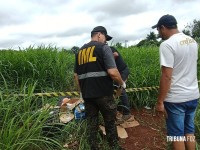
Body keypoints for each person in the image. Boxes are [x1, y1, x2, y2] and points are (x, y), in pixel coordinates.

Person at [74, 26, 126, 150]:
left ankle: (93, 146)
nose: (105, 41)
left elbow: (76, 76)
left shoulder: (80, 52)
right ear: (98, 35)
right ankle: (113, 146)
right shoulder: (103, 48)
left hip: (87, 95)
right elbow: (113, 72)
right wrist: (122, 83)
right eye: (105, 37)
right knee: (110, 120)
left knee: (92, 122)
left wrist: (82, 92)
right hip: (103, 93)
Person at [152, 14, 199, 150]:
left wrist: (160, 102)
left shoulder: (167, 45)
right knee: (189, 131)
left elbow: (166, 76)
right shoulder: (192, 41)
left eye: (159, 30)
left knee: (176, 135)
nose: (159, 33)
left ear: (163, 27)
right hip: (193, 95)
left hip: (176, 99)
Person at [110, 46, 134, 122]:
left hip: (122, 71)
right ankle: (119, 109)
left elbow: (116, 54)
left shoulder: (108, 48)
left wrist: (108, 61)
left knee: (120, 89)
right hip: (116, 72)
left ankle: (127, 113)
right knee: (114, 90)